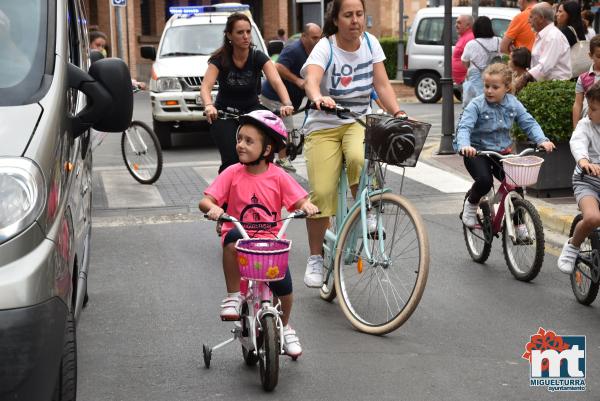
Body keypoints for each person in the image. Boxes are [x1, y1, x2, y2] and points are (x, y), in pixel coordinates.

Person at [299, 0, 406, 288]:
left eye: (359, 14)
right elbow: (312, 79)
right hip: (324, 125)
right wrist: (318, 97)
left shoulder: (371, 44)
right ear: (335, 19)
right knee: (322, 193)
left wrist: (398, 112)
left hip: (358, 119)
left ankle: (369, 211)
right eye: (348, 15)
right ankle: (315, 258)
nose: (355, 20)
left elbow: (382, 85)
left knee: (360, 157)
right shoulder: (326, 47)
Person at [198, 110, 319, 357]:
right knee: (231, 239)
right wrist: (213, 209)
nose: (240, 144)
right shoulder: (232, 173)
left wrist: (306, 206)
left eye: (248, 141)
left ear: (267, 150)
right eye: (239, 139)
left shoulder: (278, 176)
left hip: (269, 245)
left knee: (284, 288)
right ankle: (233, 296)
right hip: (241, 242)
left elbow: (300, 200)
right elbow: (206, 200)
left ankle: (285, 326)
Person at [454, 63, 555, 228]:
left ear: (507, 88)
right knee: (485, 181)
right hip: (477, 152)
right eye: (486, 86)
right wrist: (465, 145)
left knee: (515, 184)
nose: (489, 91)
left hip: (501, 152)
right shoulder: (476, 105)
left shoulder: (513, 103)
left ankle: (518, 225)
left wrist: (542, 140)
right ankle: (471, 206)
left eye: (495, 87)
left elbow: (529, 123)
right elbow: (465, 127)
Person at [200, 12, 295, 174]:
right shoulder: (220, 59)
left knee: (264, 154)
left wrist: (287, 103)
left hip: (253, 111)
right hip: (224, 114)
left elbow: (276, 81)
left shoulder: (257, 57)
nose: (245, 36)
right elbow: (205, 87)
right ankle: (224, 196)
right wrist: (209, 105)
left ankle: (278, 167)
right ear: (229, 35)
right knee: (232, 160)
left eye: (248, 32)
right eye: (240, 32)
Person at [260, 23, 323, 173]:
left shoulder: (315, 51)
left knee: (275, 129)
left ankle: (271, 157)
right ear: (304, 36)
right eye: (314, 37)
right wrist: (297, 81)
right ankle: (282, 159)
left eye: (319, 38)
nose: (317, 41)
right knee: (285, 128)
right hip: (275, 96)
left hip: (291, 100)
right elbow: (278, 67)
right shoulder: (293, 49)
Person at [558, 82, 600, 273]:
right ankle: (573, 246)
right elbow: (577, 142)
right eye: (588, 108)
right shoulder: (586, 125)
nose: (588, 113)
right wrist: (584, 161)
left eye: (593, 109)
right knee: (592, 218)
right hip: (587, 181)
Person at [515, 3, 571, 92]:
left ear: (541, 18)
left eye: (531, 17)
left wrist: (524, 78)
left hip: (555, 89)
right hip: (545, 87)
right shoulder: (544, 35)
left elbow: (544, 67)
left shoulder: (553, 36)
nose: (528, 21)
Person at [461, 16, 502, 107]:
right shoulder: (499, 41)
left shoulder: (471, 44)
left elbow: (465, 62)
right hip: (495, 74)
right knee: (494, 101)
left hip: (476, 76)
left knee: (476, 103)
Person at [573, 35, 600, 127]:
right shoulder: (583, 78)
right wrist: (576, 127)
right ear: (590, 55)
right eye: (599, 56)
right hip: (587, 124)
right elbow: (578, 103)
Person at [452, 15, 475, 90]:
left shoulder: (470, 38)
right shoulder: (465, 36)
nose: (456, 25)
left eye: (459, 23)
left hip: (466, 81)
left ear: (468, 25)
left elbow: (472, 59)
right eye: (456, 23)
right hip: (463, 81)